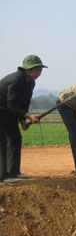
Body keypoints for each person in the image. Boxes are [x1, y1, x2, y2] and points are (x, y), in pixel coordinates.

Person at [0, 55, 46, 183]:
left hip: (10, 114)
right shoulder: (15, 80)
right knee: (2, 142)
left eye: (40, 70)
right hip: (2, 112)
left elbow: (24, 104)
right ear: (28, 69)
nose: (39, 73)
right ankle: (2, 175)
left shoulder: (31, 83)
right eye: (36, 70)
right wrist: (29, 116)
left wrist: (23, 121)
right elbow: (11, 103)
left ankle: (14, 171)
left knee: (16, 139)